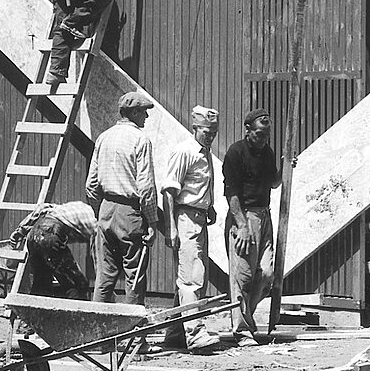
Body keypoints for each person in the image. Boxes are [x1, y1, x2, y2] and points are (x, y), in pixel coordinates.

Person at [159, 106, 223, 353]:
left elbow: (201, 185)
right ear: (195, 128)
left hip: (199, 217)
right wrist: (171, 228)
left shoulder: (204, 152)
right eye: (207, 132)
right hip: (184, 218)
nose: (211, 136)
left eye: (214, 132)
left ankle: (175, 333)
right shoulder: (184, 151)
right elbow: (169, 190)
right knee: (191, 278)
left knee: (194, 276)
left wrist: (210, 206)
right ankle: (195, 335)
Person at [86, 91, 158, 305]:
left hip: (106, 209)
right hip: (129, 212)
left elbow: (91, 183)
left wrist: (101, 209)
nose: (146, 117)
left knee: (105, 275)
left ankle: (96, 331)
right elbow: (146, 186)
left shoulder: (103, 137)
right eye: (144, 112)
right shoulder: (141, 140)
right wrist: (152, 222)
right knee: (134, 275)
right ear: (134, 112)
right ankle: (133, 337)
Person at [222, 108, 281, 345]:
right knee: (242, 278)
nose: (263, 139)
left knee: (267, 273)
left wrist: (285, 169)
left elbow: (273, 183)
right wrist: (242, 226)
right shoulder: (236, 153)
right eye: (259, 134)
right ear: (247, 130)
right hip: (244, 218)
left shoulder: (267, 152)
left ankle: (247, 318)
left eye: (266, 135)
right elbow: (232, 194)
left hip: (264, 216)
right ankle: (241, 330)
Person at [8, 201, 96, 298]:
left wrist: (21, 230)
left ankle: (35, 311)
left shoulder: (77, 207)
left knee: (42, 283)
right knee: (78, 284)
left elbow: (42, 208)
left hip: (34, 233)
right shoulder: (98, 222)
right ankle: (77, 311)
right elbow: (98, 254)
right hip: (51, 233)